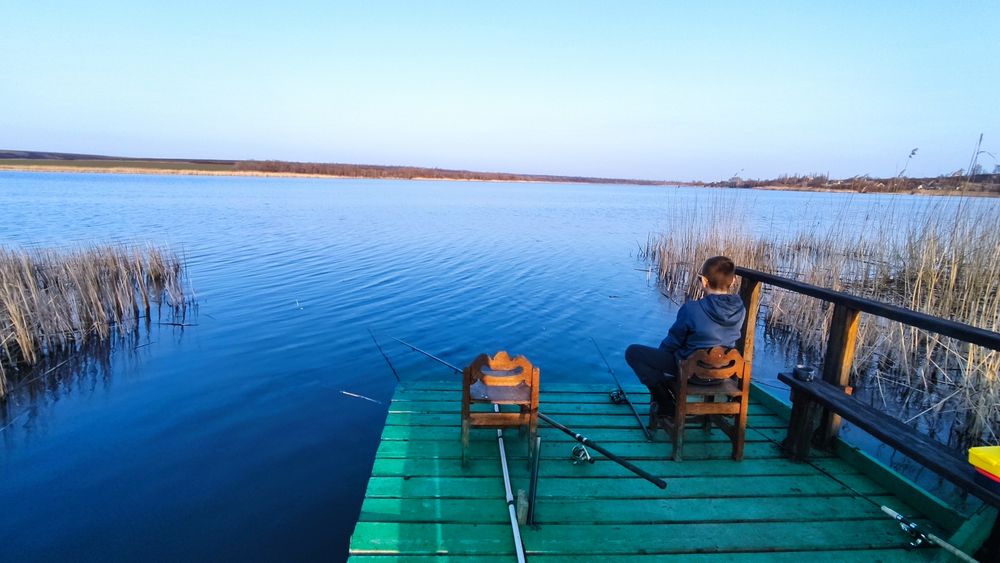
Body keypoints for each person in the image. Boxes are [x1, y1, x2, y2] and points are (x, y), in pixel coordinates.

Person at [625, 256, 746, 416]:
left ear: (704, 281)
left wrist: (661, 364)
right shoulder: (740, 309)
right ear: (734, 281)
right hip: (725, 373)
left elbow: (672, 343)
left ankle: (666, 403)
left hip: (692, 373)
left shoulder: (692, 309)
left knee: (633, 353)